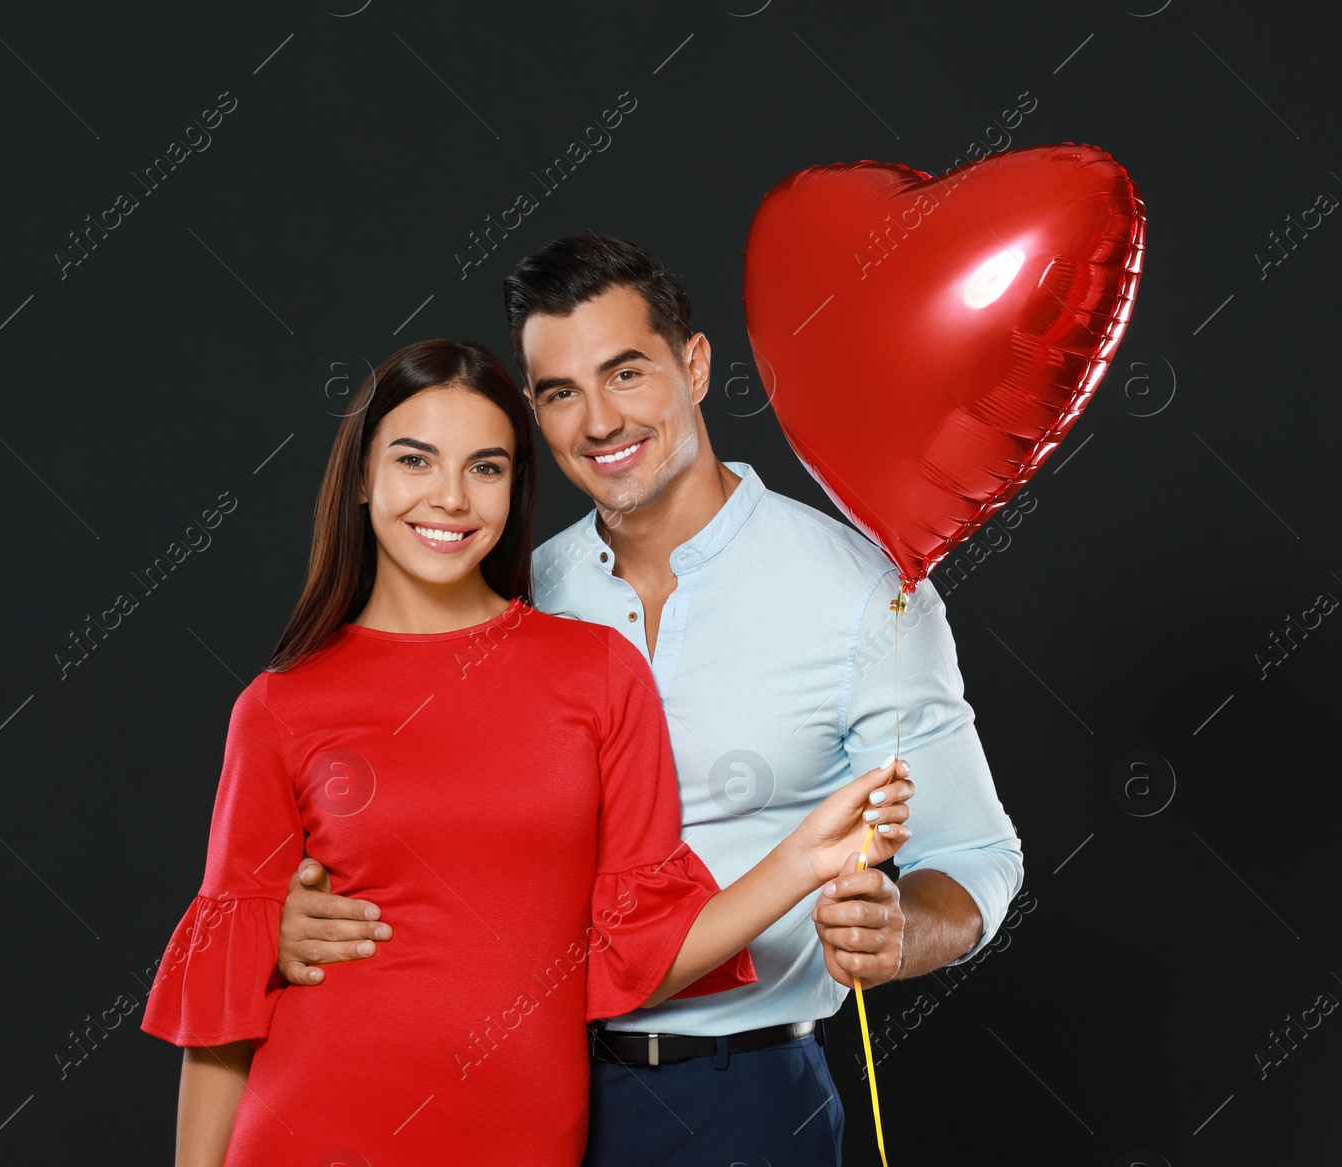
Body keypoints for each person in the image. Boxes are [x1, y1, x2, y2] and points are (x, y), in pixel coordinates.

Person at [275, 237, 1026, 1165]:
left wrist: (901, 931)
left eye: (625, 372)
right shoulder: (518, 595)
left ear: (697, 365)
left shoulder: (860, 595)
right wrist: (293, 920)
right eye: (559, 393)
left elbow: (979, 853)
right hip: (515, 1091)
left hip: (745, 1100)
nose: (598, 421)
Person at [136, 336, 918, 1166]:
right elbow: (223, 1009)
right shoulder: (279, 705)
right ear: (363, 477)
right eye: (415, 460)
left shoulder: (596, 673)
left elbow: (640, 951)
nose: (449, 497)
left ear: (517, 486)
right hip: (314, 1126)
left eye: (486, 467)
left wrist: (804, 857)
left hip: (525, 1138)